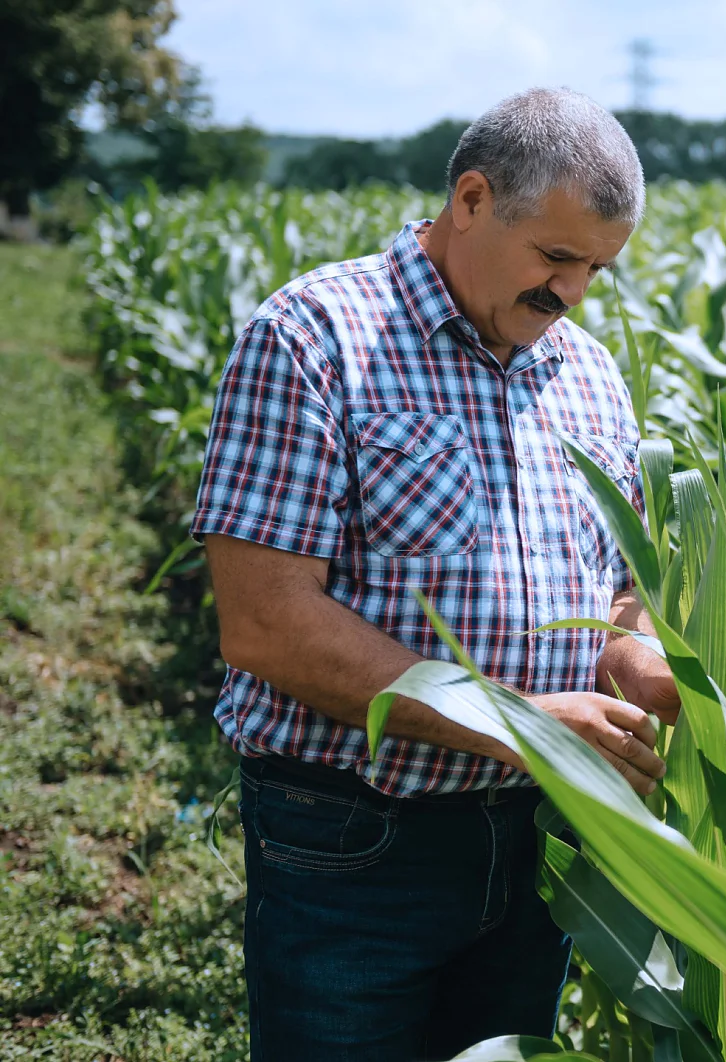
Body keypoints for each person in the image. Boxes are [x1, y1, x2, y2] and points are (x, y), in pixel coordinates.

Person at [193, 87, 679, 1061]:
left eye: (596, 268)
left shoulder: (587, 372)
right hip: (354, 842)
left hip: (541, 840)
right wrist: (524, 724)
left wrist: (636, 658)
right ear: (469, 199)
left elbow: (615, 586)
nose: (573, 291)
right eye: (555, 256)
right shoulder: (314, 339)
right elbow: (266, 623)